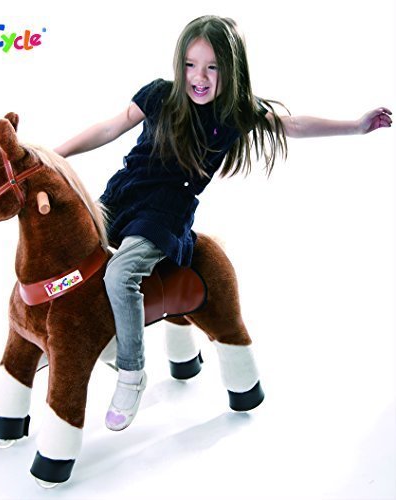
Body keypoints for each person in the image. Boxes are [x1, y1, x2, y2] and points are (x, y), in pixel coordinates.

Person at [55, 15, 392, 432]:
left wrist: (355, 126)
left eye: (212, 67)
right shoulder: (159, 95)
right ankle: (79, 340)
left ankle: (132, 371)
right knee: (69, 251)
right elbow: (110, 126)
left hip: (163, 213)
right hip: (120, 197)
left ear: (231, 71)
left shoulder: (235, 115)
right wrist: (55, 157)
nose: (199, 77)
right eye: (191, 65)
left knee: (121, 272)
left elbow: (293, 125)